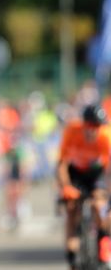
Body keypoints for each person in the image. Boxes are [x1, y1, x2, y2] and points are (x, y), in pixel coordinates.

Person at [56, 104, 111, 269]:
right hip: (76, 173)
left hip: (96, 174)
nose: (94, 130)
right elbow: (62, 164)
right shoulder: (72, 131)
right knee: (72, 209)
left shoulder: (106, 136)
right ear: (84, 124)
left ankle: (103, 244)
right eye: (90, 126)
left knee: (98, 206)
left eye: (97, 127)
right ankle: (71, 255)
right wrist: (65, 186)